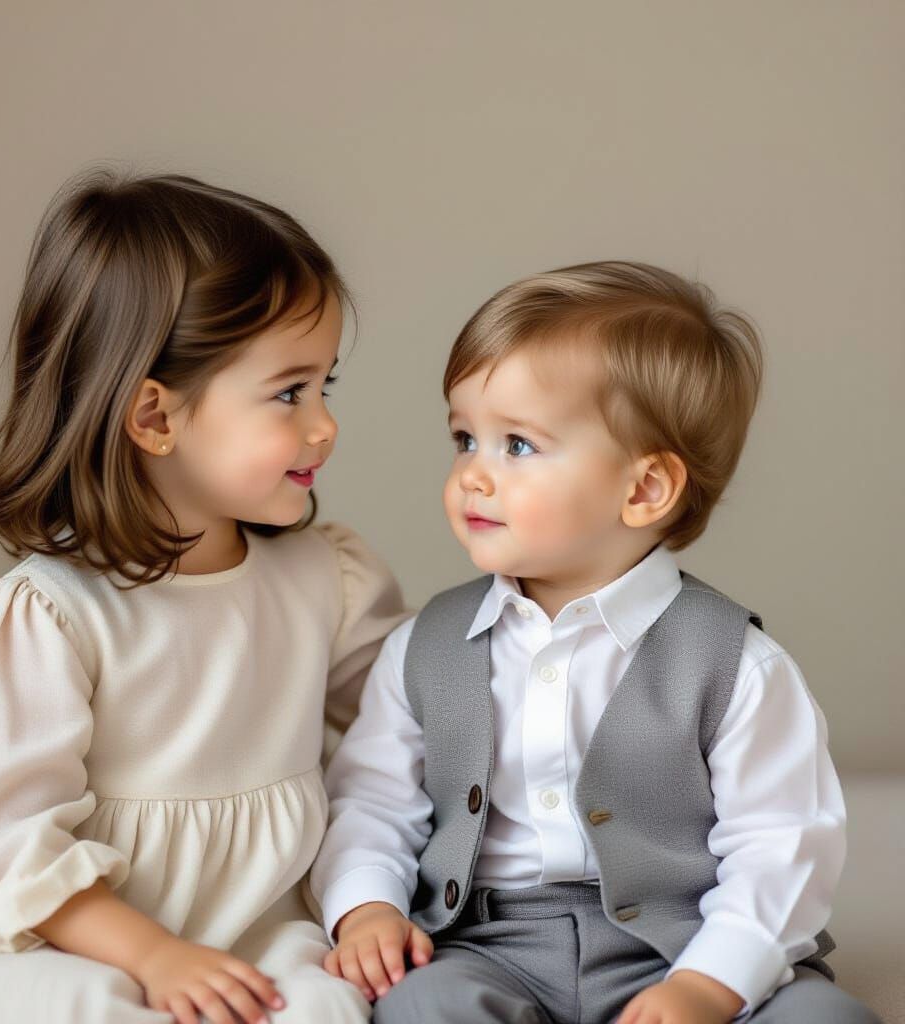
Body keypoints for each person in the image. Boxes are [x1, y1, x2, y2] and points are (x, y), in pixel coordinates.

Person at [0, 170, 409, 1024]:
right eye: (288, 392)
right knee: (62, 1006)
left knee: (323, 1007)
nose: (324, 425)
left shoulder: (327, 578)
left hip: (261, 918)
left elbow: (420, 711)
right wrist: (154, 956)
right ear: (155, 418)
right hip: (79, 926)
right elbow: (9, 843)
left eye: (325, 387)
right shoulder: (53, 612)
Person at [310, 262, 882, 1023]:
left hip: (683, 942)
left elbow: (781, 845)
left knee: (827, 1020)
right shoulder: (425, 646)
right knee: (422, 1008)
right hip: (485, 942)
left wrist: (708, 986)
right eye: (464, 438)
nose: (473, 475)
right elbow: (375, 803)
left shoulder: (734, 664)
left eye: (517, 445)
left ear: (643, 489)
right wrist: (367, 908)